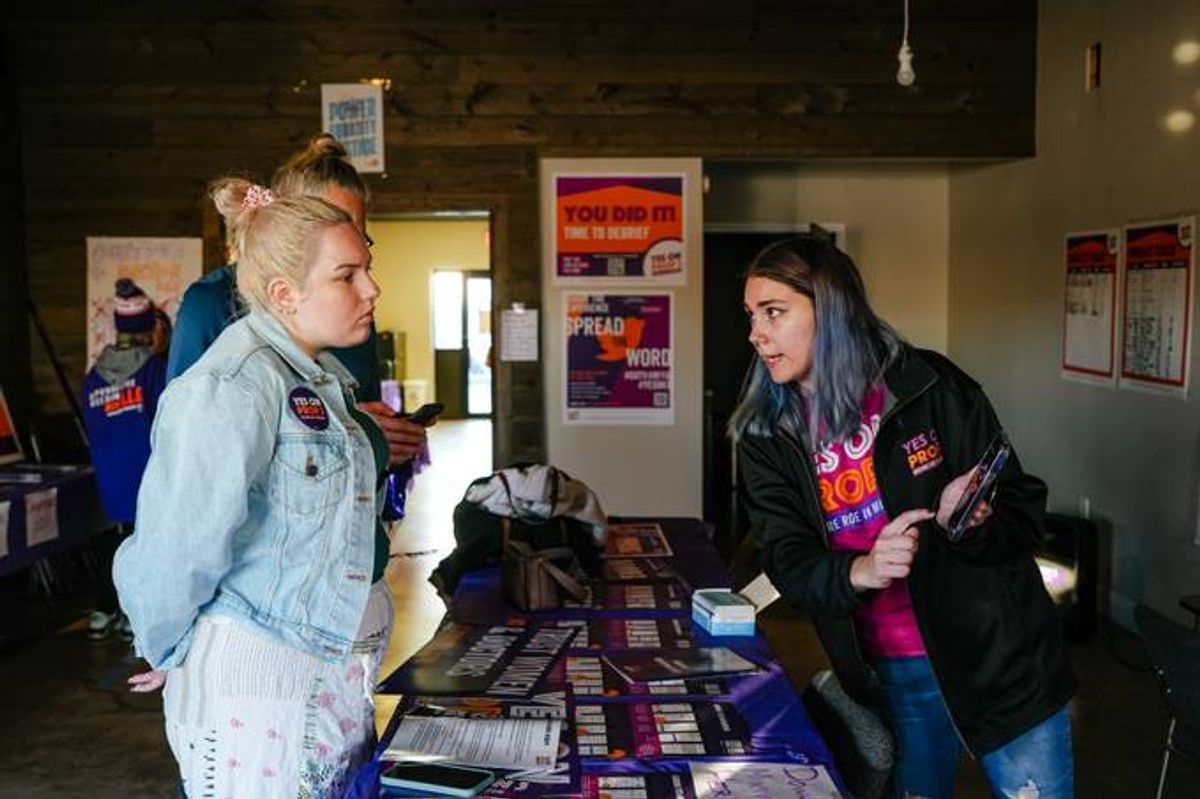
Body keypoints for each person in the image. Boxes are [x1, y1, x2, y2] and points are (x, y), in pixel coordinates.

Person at [731, 235, 1076, 799]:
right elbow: (788, 563)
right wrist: (862, 571)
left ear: (833, 308)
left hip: (1003, 662)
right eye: (752, 315)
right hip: (892, 676)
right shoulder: (765, 435)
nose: (755, 334)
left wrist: (975, 521)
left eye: (774, 312)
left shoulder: (931, 386)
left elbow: (1023, 508)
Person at [114, 179, 394, 797]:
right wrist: (162, 644)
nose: (371, 289)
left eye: (367, 270)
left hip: (324, 683)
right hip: (260, 692)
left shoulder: (323, 380)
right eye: (347, 276)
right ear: (284, 293)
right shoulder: (230, 388)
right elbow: (176, 547)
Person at [167, 133, 427, 466]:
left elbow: (361, 411)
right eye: (331, 222)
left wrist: (383, 435)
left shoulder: (354, 310)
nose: (370, 290)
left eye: (359, 232)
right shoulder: (210, 304)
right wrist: (343, 428)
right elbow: (187, 448)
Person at [81, 279, 170, 640]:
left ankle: (104, 612)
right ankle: (136, 616)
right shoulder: (153, 369)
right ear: (148, 326)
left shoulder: (94, 375)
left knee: (115, 543)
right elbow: (168, 422)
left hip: (108, 477)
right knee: (146, 548)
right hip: (147, 477)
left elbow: (92, 423)